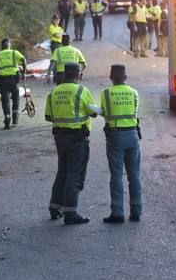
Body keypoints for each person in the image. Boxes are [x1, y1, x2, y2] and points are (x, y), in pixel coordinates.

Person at [44, 62, 100, 224]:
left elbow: (48, 117)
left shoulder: (54, 92)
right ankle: (71, 213)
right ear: (78, 75)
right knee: (74, 174)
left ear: (63, 74)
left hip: (60, 138)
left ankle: (55, 208)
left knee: (62, 171)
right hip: (77, 138)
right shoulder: (82, 91)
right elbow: (93, 113)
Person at [99, 64, 142, 223]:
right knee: (134, 175)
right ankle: (136, 211)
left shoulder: (106, 93)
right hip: (132, 135)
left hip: (115, 136)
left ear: (111, 77)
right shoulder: (134, 93)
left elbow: (103, 112)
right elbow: (134, 112)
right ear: (125, 77)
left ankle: (117, 213)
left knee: (116, 175)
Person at [0, 38, 26, 129]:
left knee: (5, 100)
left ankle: (7, 119)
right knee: (16, 98)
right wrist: (24, 73)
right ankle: (15, 118)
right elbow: (23, 60)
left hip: (2, 80)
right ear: (9, 45)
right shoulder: (14, 53)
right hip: (14, 79)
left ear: (1, 46)